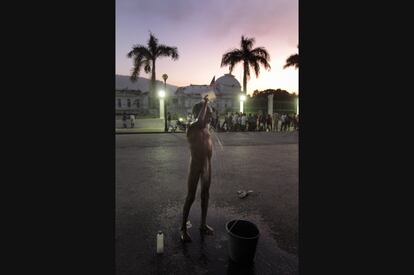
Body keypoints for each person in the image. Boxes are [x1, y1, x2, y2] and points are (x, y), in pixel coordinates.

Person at [181, 95, 214, 242]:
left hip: (207, 165)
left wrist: (208, 164)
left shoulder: (206, 130)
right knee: (191, 196)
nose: (210, 115)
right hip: (195, 165)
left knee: (205, 194)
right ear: (199, 113)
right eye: (208, 112)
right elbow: (200, 121)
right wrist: (205, 102)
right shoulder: (192, 127)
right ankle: (183, 228)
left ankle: (203, 224)